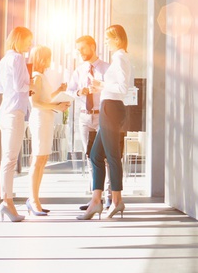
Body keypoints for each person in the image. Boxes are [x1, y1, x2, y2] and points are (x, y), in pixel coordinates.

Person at [78, 24, 131, 220]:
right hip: (108, 107)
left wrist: (102, 84)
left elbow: (123, 88)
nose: (106, 42)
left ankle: (116, 201)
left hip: (111, 108)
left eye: (108, 38)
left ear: (117, 39)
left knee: (112, 156)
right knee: (95, 155)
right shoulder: (118, 58)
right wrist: (103, 85)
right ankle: (95, 202)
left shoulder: (120, 58)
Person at [66, 35, 110, 210]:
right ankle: (95, 198)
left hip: (102, 117)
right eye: (78, 49)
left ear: (93, 46)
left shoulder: (107, 68)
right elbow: (70, 91)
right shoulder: (79, 70)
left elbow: (115, 90)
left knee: (104, 158)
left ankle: (108, 197)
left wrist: (101, 87)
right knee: (90, 158)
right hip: (84, 117)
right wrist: (79, 92)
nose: (80, 52)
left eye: (83, 48)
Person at [0, 26, 33, 222]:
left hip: (4, 112)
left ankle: (6, 201)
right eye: (28, 40)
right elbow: (20, 86)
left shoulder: (4, 60)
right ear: (19, 39)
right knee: (9, 161)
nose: (30, 44)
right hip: (14, 113)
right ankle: (7, 202)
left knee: (7, 160)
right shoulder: (18, 58)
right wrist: (32, 85)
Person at [26, 46, 69, 216]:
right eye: (49, 57)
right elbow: (35, 103)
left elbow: (46, 98)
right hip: (40, 121)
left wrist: (59, 92)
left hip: (46, 120)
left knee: (42, 160)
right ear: (43, 58)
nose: (51, 60)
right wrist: (57, 106)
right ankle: (33, 200)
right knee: (37, 160)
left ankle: (35, 199)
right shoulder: (36, 77)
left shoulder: (41, 77)